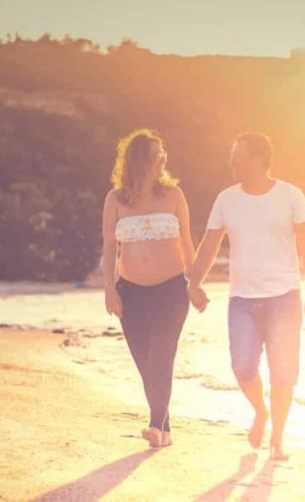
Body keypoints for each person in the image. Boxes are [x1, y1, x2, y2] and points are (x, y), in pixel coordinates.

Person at [187, 132, 305, 459]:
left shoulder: (291, 196)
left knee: (283, 372)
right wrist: (194, 283)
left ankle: (277, 437)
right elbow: (209, 244)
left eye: (238, 157)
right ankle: (260, 411)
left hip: (284, 297)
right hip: (243, 300)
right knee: (243, 366)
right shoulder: (226, 199)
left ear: (259, 159)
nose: (232, 163)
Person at [102, 129, 196, 448]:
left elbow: (187, 245)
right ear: (141, 161)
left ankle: (155, 426)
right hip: (131, 293)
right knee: (145, 363)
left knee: (162, 358)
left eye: (164, 155)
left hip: (171, 292)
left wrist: (195, 284)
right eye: (157, 156)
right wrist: (109, 290)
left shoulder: (174, 195)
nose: (164, 160)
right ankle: (165, 429)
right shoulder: (115, 199)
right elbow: (107, 248)